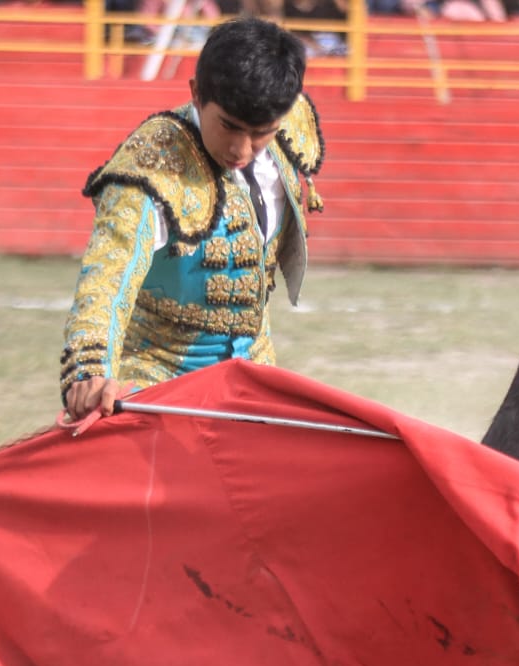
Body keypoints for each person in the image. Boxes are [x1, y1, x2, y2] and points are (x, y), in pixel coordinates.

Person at [61, 17, 325, 422]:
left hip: (253, 374)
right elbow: (108, 273)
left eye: (261, 133)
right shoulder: (154, 162)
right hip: (155, 378)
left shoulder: (287, 126)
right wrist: (91, 371)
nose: (242, 148)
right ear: (197, 95)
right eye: (230, 127)